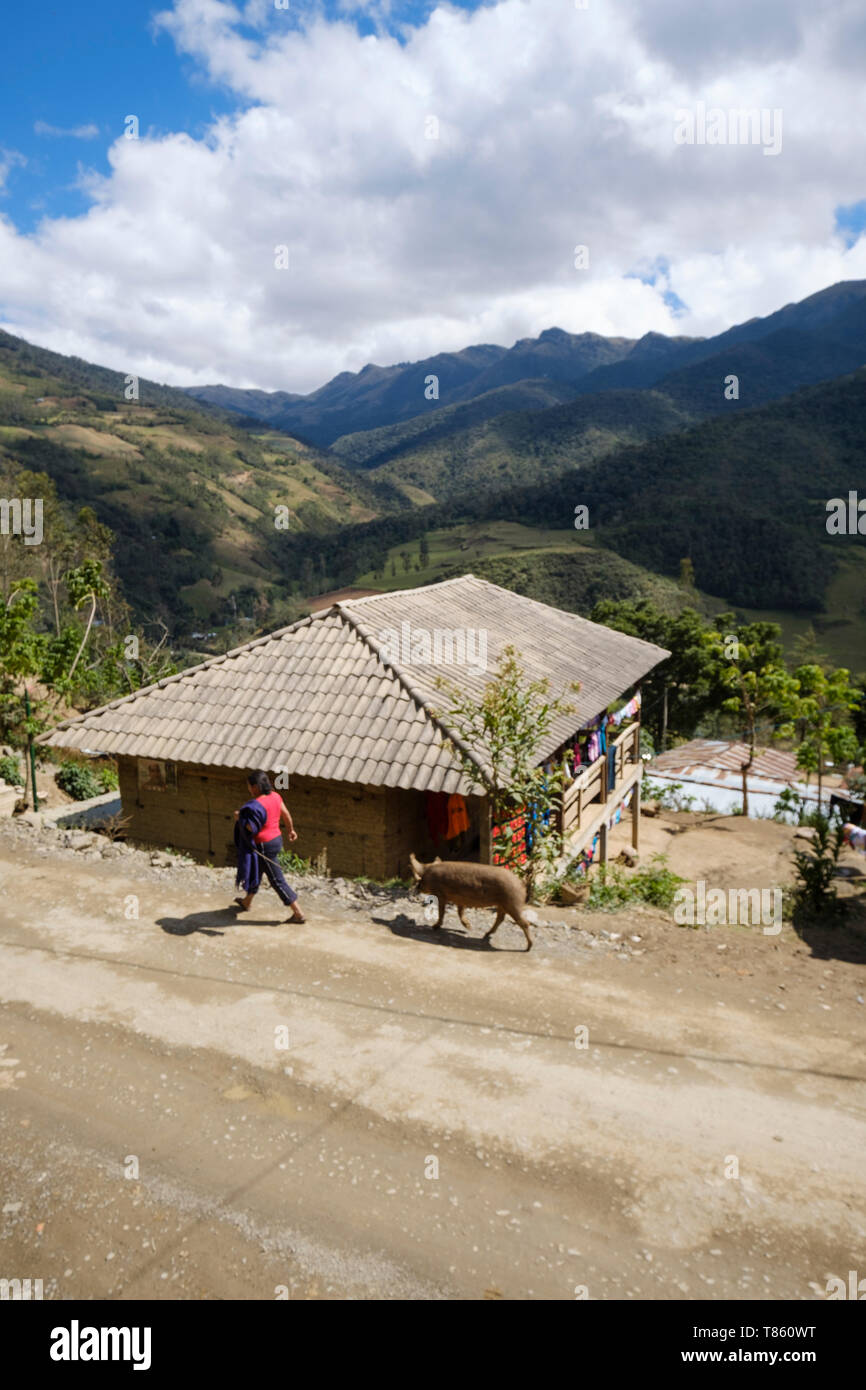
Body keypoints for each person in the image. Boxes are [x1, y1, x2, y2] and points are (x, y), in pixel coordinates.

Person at [233, 771, 306, 923]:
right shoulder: (275, 796)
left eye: (249, 786)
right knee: (257, 872)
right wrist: (291, 830)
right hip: (276, 840)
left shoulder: (257, 805)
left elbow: (250, 828)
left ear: (255, 787)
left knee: (276, 880)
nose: (248, 789)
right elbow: (286, 814)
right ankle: (247, 902)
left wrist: (239, 818)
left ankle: (298, 913)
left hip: (264, 846)